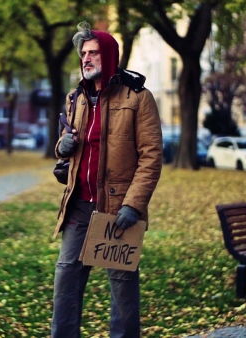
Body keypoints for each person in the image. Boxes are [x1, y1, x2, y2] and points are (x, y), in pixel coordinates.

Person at [51, 22, 163, 337]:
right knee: (66, 280)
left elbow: (151, 156)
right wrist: (63, 146)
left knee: (123, 286)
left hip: (118, 209)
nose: (86, 59)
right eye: (83, 53)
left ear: (109, 56)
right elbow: (64, 143)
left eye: (93, 53)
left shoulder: (138, 98)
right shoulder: (77, 97)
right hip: (79, 206)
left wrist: (133, 204)